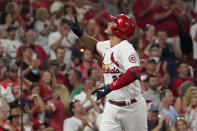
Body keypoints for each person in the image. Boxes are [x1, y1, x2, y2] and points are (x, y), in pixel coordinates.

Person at [66, 14, 147, 131]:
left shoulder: (126, 48)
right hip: (112, 106)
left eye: (113, 22)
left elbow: (133, 73)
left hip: (132, 107)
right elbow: (94, 46)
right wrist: (80, 34)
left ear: (117, 29)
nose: (109, 23)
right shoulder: (108, 45)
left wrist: (109, 87)